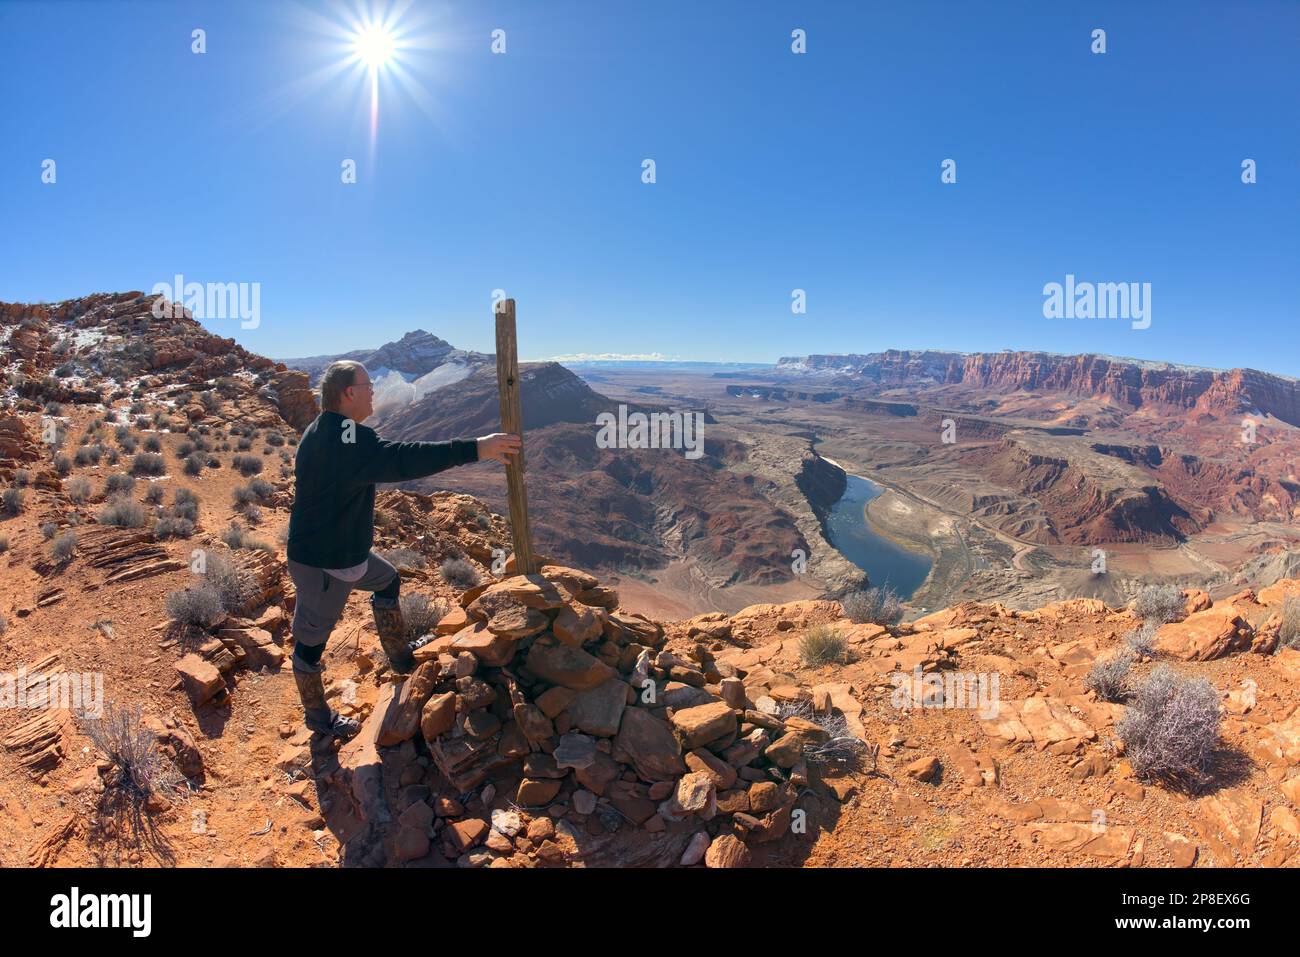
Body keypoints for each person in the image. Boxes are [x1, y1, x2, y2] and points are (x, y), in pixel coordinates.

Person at [285, 359, 520, 741]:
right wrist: (478, 448)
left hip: (349, 556)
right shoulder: (346, 440)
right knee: (311, 643)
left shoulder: (330, 430)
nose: (373, 389)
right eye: (367, 384)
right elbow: (405, 457)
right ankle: (318, 719)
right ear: (349, 393)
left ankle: (399, 656)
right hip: (324, 564)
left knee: (388, 580)